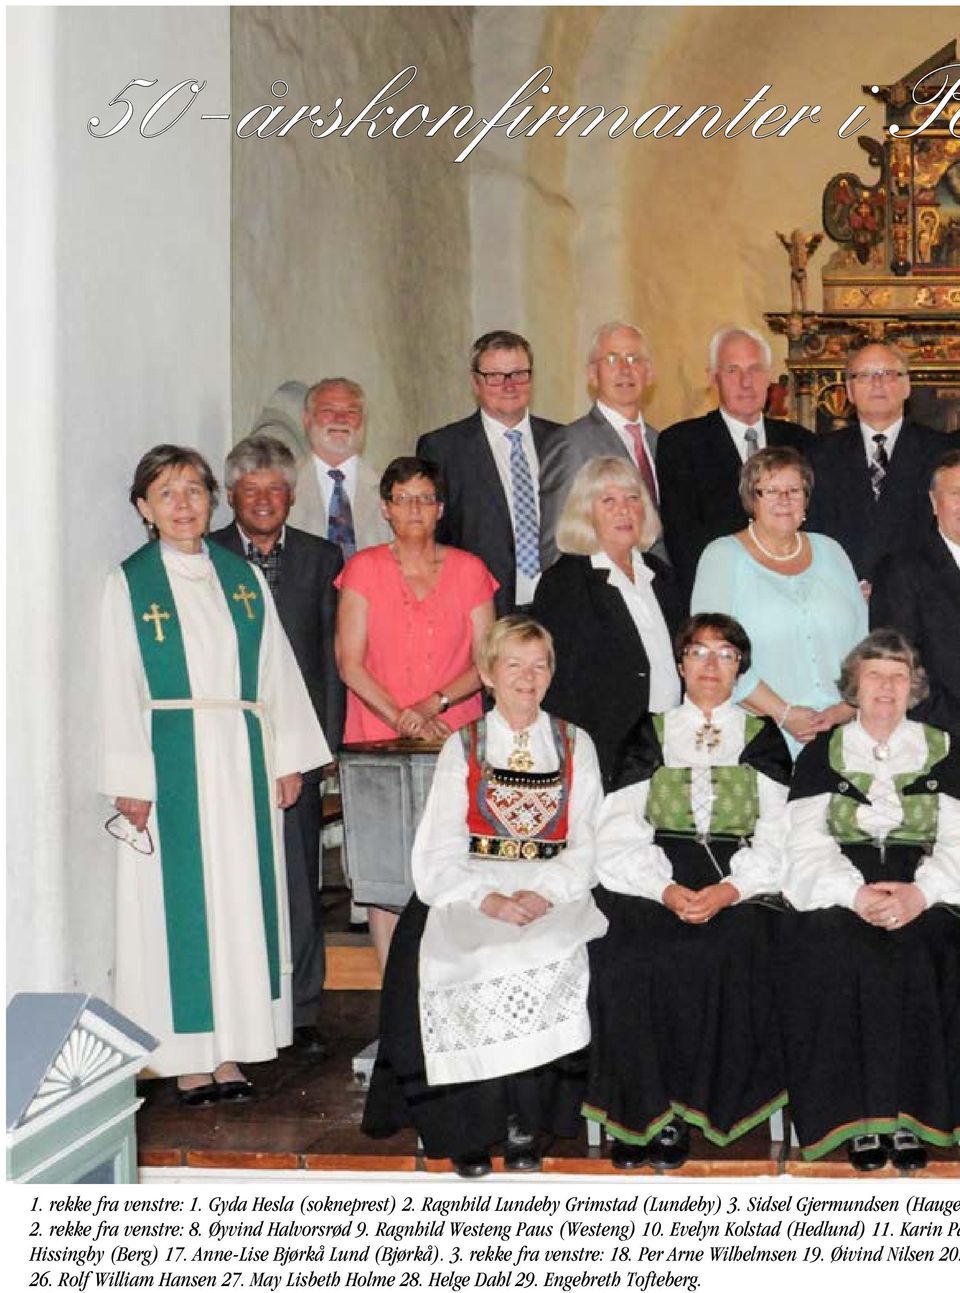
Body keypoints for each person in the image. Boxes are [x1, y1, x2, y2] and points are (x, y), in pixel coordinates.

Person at [98, 445, 330, 1104]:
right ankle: (187, 1057)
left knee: (240, 899)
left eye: (194, 490)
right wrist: (132, 776)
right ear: (144, 507)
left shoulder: (241, 578)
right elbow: (118, 684)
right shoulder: (131, 583)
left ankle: (230, 1050)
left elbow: (274, 674)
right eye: (166, 493)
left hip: (241, 760)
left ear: (211, 501)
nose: (183, 504)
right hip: (172, 759)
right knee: (184, 907)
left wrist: (286, 759)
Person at [362, 617, 608, 1177]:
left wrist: (542, 892)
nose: (527, 677)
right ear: (489, 675)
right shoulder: (463, 745)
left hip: (553, 888)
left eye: (539, 664)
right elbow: (438, 848)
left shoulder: (576, 743)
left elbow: (590, 840)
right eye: (513, 664)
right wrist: (488, 898)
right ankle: (464, 1129)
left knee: (546, 956)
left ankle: (525, 1124)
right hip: (474, 887)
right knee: (463, 957)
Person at [586, 614, 792, 1170]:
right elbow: (619, 828)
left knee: (723, 953)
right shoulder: (650, 732)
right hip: (653, 872)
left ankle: (698, 1107)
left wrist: (730, 890)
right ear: (679, 665)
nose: (710, 665)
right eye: (698, 653)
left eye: (725, 655)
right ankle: (644, 1115)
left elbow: (777, 834)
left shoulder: (762, 736)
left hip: (740, 879)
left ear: (740, 669)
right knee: (629, 957)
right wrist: (664, 888)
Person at [780, 630, 960, 1170]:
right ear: (853, 687)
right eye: (874, 674)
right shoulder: (821, 754)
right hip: (842, 884)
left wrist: (921, 894)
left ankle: (913, 1119)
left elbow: (957, 838)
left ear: (914, 688)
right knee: (839, 951)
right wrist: (852, 893)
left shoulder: (945, 750)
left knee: (926, 950)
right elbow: (805, 843)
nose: (886, 686)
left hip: (926, 885)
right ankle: (855, 1119)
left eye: (898, 676)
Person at [209, 434, 344, 1060]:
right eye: (251, 490)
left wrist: (326, 745)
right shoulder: (206, 556)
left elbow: (328, 656)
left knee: (297, 877)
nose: (263, 500)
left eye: (275, 490)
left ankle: (303, 1009)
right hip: (224, 746)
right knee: (233, 877)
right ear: (231, 496)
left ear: (292, 496)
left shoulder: (321, 557)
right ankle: (238, 1003)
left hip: (296, 741)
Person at [334, 456, 497, 968]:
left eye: (425, 498)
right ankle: (393, 995)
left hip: (454, 732)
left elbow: (487, 658)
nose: (414, 509)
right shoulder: (363, 569)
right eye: (402, 498)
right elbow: (349, 662)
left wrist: (433, 704)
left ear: (440, 508)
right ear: (385, 508)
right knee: (389, 867)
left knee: (457, 857)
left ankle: (453, 984)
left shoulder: (471, 571)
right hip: (377, 738)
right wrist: (402, 715)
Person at [691, 446, 867, 751]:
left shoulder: (832, 551)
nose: (784, 500)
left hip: (841, 736)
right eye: (771, 490)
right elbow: (715, 655)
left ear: (806, 498)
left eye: (794, 490)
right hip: (760, 738)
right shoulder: (721, 557)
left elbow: (863, 643)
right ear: (751, 499)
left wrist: (846, 709)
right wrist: (783, 714)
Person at [532, 456, 683, 789]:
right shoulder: (565, 582)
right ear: (586, 514)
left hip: (672, 745)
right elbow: (557, 684)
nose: (624, 510)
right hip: (603, 754)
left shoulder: (662, 576)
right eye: (608, 501)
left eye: (633, 498)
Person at [656, 326, 812, 599]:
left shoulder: (803, 443)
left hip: (795, 591)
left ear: (769, 378)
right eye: (732, 370)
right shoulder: (681, 444)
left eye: (754, 369)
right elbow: (683, 540)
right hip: (721, 595)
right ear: (713, 378)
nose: (745, 382)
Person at [416, 330, 560, 616]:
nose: (509, 385)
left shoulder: (562, 441)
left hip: (560, 605)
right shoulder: (443, 448)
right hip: (481, 608)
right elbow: (431, 538)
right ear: (475, 382)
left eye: (519, 374)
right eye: (495, 376)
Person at [806, 342, 946, 591]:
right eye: (865, 376)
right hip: (840, 595)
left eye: (888, 374)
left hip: (919, 600)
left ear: (907, 386)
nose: (877, 383)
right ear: (849, 390)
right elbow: (811, 535)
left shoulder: (942, 453)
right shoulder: (818, 455)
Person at [539, 322, 662, 570]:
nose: (625, 370)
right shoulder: (571, 445)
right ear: (593, 375)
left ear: (648, 373)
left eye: (633, 358)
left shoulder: (662, 442)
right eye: (612, 359)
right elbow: (557, 545)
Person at [871, 449, 960, 735]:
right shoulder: (901, 569)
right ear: (935, 502)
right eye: (956, 493)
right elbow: (899, 667)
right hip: (941, 738)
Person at [288, 377, 391, 556]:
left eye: (351, 412)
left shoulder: (390, 488)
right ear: (306, 420)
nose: (340, 419)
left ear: (364, 422)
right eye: (328, 410)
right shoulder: (283, 485)